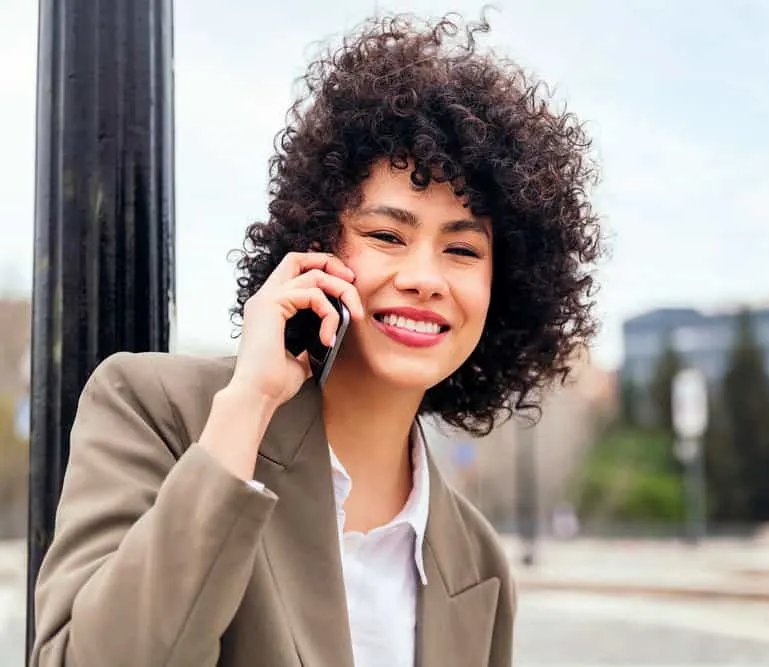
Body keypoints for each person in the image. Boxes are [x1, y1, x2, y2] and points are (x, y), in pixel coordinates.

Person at [30, 13, 601, 667]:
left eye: (463, 249)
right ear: (319, 245)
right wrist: (248, 406)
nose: (423, 278)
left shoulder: (478, 561)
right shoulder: (158, 410)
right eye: (387, 235)